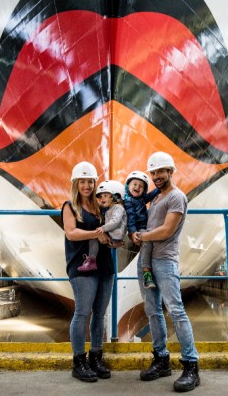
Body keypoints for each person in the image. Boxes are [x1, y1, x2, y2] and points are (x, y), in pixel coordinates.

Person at [132, 152, 200, 392]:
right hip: (147, 262)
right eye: (153, 172)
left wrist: (141, 236)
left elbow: (167, 230)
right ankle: (161, 359)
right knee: (153, 311)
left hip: (165, 261)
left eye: (160, 171)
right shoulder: (156, 198)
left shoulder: (176, 197)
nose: (156, 176)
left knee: (176, 310)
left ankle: (191, 366)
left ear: (171, 171)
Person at [62, 161, 117, 382]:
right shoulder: (70, 206)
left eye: (90, 182)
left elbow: (113, 227)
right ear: (75, 183)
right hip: (81, 266)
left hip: (104, 265)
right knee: (82, 313)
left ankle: (95, 357)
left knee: (100, 314)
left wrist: (114, 240)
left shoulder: (101, 206)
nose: (86, 186)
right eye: (82, 181)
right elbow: (71, 233)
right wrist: (97, 234)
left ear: (95, 183)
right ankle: (79, 362)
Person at [77, 180, 127, 272]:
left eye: (105, 195)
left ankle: (91, 260)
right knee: (94, 237)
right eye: (100, 197)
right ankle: (91, 260)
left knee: (93, 237)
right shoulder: (109, 209)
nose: (102, 199)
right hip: (112, 235)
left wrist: (102, 229)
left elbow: (115, 221)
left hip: (114, 235)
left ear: (115, 197)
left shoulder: (118, 208)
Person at [124, 171, 160, 288]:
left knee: (150, 243)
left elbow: (150, 196)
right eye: (134, 184)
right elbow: (130, 218)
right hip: (138, 229)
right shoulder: (128, 201)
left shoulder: (141, 199)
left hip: (145, 228)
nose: (137, 187)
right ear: (128, 186)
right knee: (147, 243)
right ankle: (146, 274)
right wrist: (133, 232)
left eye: (141, 186)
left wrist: (159, 189)